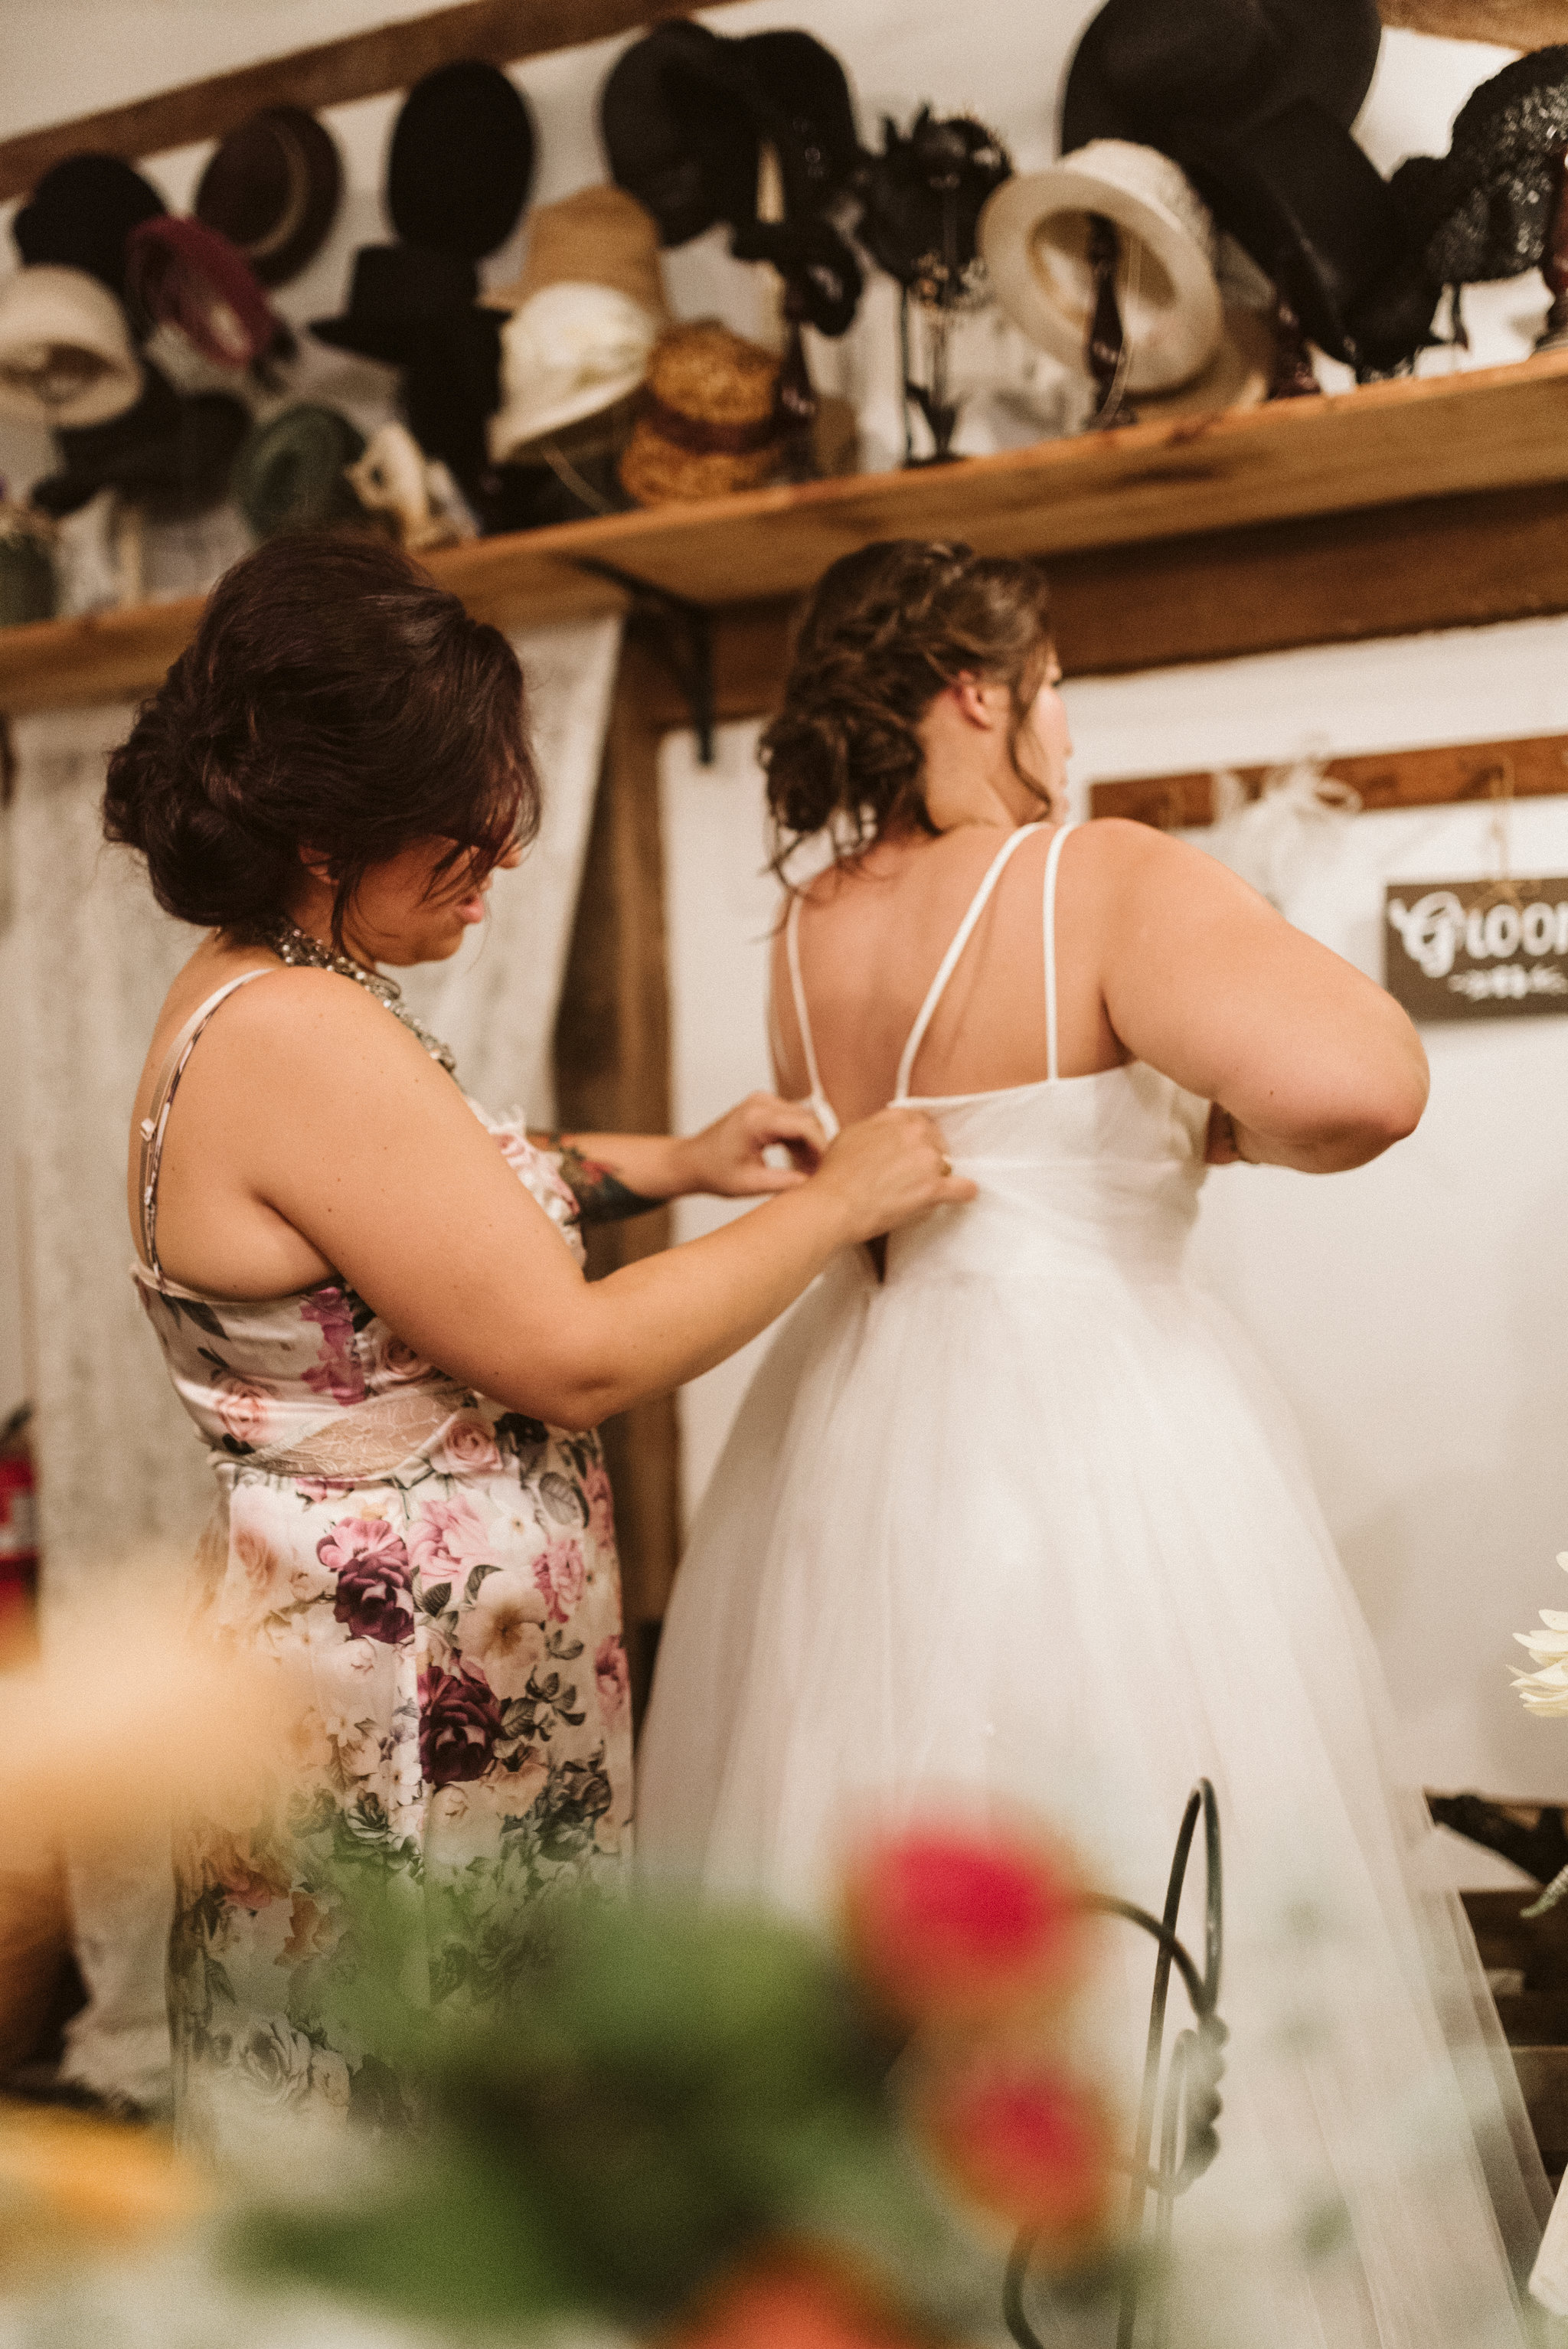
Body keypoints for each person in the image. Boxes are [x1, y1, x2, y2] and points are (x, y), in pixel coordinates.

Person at [637, 540, 1550, 2341]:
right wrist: (1225, 1134)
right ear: (981, 693)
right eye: (1054, 687)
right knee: (1139, 1859)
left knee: (871, 1842)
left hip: (854, 1432)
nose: (1071, 727)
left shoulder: (809, 930)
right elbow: (1364, 1082)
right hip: (1086, 1437)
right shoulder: (1095, 875)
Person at [104, 531, 967, 2141]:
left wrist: (675, 1160)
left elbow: (423, 1226)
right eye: (460, 844)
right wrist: (836, 1201)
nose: (492, 876)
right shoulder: (302, 1030)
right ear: (322, 828)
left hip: (365, 1651)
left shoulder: (263, 983)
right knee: (422, 2116)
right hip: (410, 1688)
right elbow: (571, 1353)